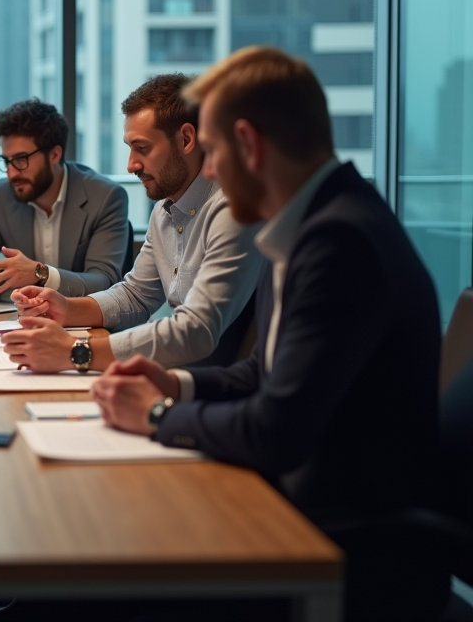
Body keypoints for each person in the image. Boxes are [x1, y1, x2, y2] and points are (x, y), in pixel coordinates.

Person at [92, 47, 448, 621]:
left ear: (249, 145)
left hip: (347, 546)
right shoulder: (317, 223)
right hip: (308, 506)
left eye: (213, 153)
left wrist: (155, 417)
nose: (208, 171)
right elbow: (266, 373)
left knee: (116, 570)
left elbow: (278, 428)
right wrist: (176, 388)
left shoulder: (340, 243)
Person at [5, 76, 261, 369]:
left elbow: (196, 331)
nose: (131, 165)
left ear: (187, 140)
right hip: (179, 373)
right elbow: (136, 296)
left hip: (214, 385)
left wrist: (77, 351)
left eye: (143, 148)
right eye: (130, 148)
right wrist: (66, 308)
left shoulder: (233, 209)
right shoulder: (164, 209)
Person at [0, 98, 130, 302]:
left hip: (86, 324)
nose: (11, 173)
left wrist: (40, 273)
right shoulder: (2, 194)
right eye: (6, 161)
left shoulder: (105, 197)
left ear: (54, 155)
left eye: (20, 160)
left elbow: (105, 281)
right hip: (23, 319)